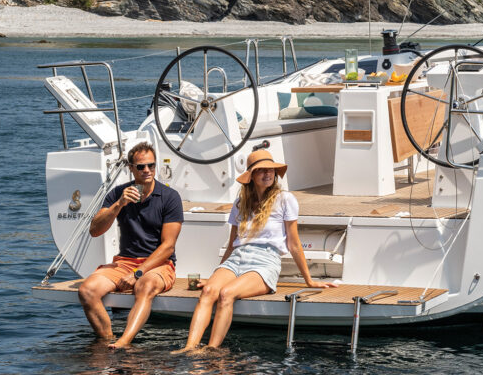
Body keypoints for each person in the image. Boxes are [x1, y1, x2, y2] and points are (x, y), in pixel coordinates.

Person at [173, 148, 334, 352]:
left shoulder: (285, 199)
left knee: (226, 293)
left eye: (271, 170)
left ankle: (211, 351)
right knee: (209, 290)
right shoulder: (240, 203)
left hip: (264, 261)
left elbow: (294, 243)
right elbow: (232, 243)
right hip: (237, 258)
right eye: (261, 170)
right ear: (251, 176)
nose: (268, 174)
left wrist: (308, 280)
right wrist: (217, 273)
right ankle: (190, 348)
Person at [77, 141, 183, 348]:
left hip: (158, 264)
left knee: (146, 285)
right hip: (124, 262)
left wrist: (138, 273)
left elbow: (168, 246)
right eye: (141, 166)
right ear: (131, 168)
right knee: (86, 291)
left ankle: (124, 342)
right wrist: (119, 205)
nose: (147, 170)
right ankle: (108, 341)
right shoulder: (118, 194)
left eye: (151, 165)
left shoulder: (169, 197)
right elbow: (95, 230)